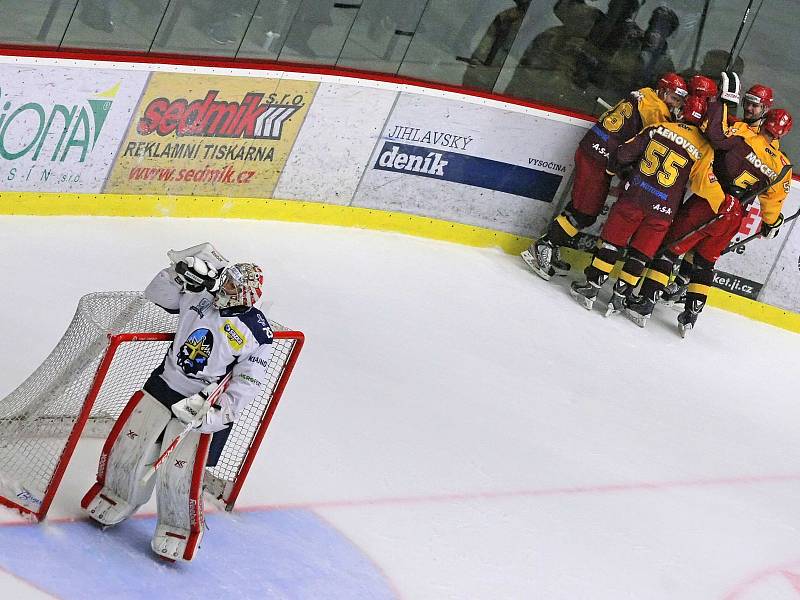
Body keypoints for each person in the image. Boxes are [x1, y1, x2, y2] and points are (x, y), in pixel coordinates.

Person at [81, 242, 273, 562]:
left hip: (200, 403)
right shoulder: (200, 296)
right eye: (224, 280)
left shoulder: (256, 332)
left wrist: (217, 414)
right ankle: (117, 494)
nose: (221, 287)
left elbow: (248, 382)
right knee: (132, 446)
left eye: (230, 286)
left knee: (180, 472)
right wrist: (175, 274)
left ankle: (179, 528)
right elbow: (157, 294)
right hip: (164, 383)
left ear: (245, 296)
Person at [627, 98, 793, 335]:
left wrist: (721, 103)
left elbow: (716, 137)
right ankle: (690, 315)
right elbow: (773, 203)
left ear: (765, 120)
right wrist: (771, 223)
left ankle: (645, 303)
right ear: (782, 134)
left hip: (711, 203)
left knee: (670, 250)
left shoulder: (744, 137)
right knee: (705, 262)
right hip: (735, 216)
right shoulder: (782, 166)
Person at [522, 71, 688, 280]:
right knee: (586, 213)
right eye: (674, 98)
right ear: (663, 91)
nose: (675, 104)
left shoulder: (645, 93)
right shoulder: (656, 111)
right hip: (599, 159)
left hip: (594, 148)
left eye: (679, 101)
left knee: (582, 206)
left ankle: (553, 242)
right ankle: (543, 246)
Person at [569, 94, 719, 315]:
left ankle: (591, 288)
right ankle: (619, 298)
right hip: (664, 210)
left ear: (683, 111)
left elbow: (624, 153)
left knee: (612, 243)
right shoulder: (705, 149)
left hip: (635, 197)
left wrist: (616, 169)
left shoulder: (658, 128)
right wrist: (725, 204)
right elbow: (704, 186)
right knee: (641, 254)